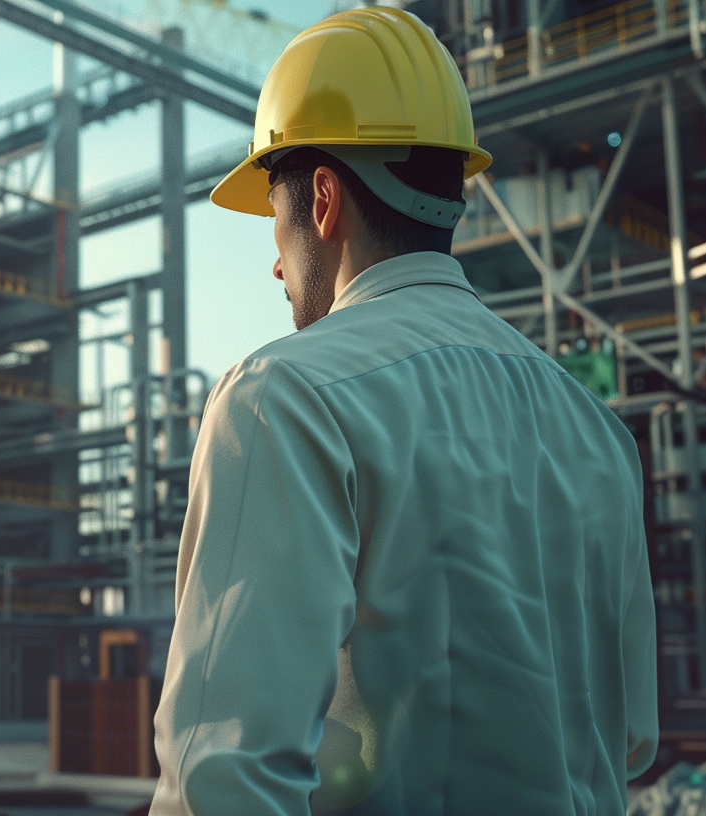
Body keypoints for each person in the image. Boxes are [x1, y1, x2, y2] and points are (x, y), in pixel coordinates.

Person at [148, 7, 658, 815]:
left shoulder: (283, 400)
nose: (274, 266)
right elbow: (628, 738)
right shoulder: (596, 431)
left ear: (321, 200)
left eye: (274, 220)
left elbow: (223, 777)